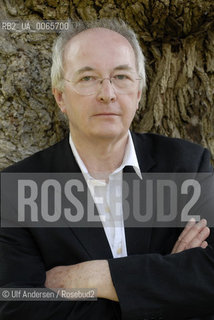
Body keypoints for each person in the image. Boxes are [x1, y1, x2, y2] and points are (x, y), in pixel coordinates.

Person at [0, 18, 214, 320]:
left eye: (122, 77)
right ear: (60, 97)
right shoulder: (16, 188)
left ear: (138, 94)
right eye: (88, 78)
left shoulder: (186, 166)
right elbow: (18, 308)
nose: (107, 93)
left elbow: (210, 278)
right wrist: (166, 285)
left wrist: (97, 277)